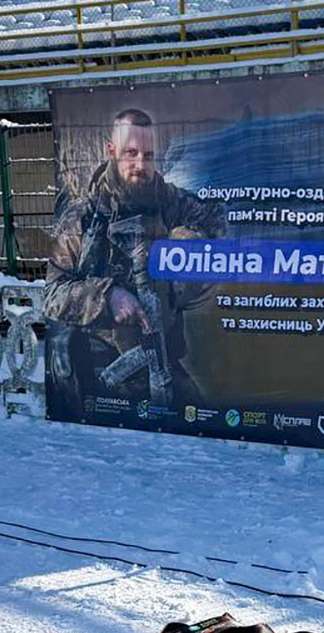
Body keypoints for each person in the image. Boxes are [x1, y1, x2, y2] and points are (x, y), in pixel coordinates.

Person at [46, 108, 224, 417]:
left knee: (203, 423)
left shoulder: (171, 203)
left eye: (148, 154)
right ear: (111, 152)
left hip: (162, 357)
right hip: (101, 367)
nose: (141, 165)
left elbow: (218, 226)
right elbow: (52, 295)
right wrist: (108, 296)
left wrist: (186, 248)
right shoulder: (84, 217)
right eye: (131, 153)